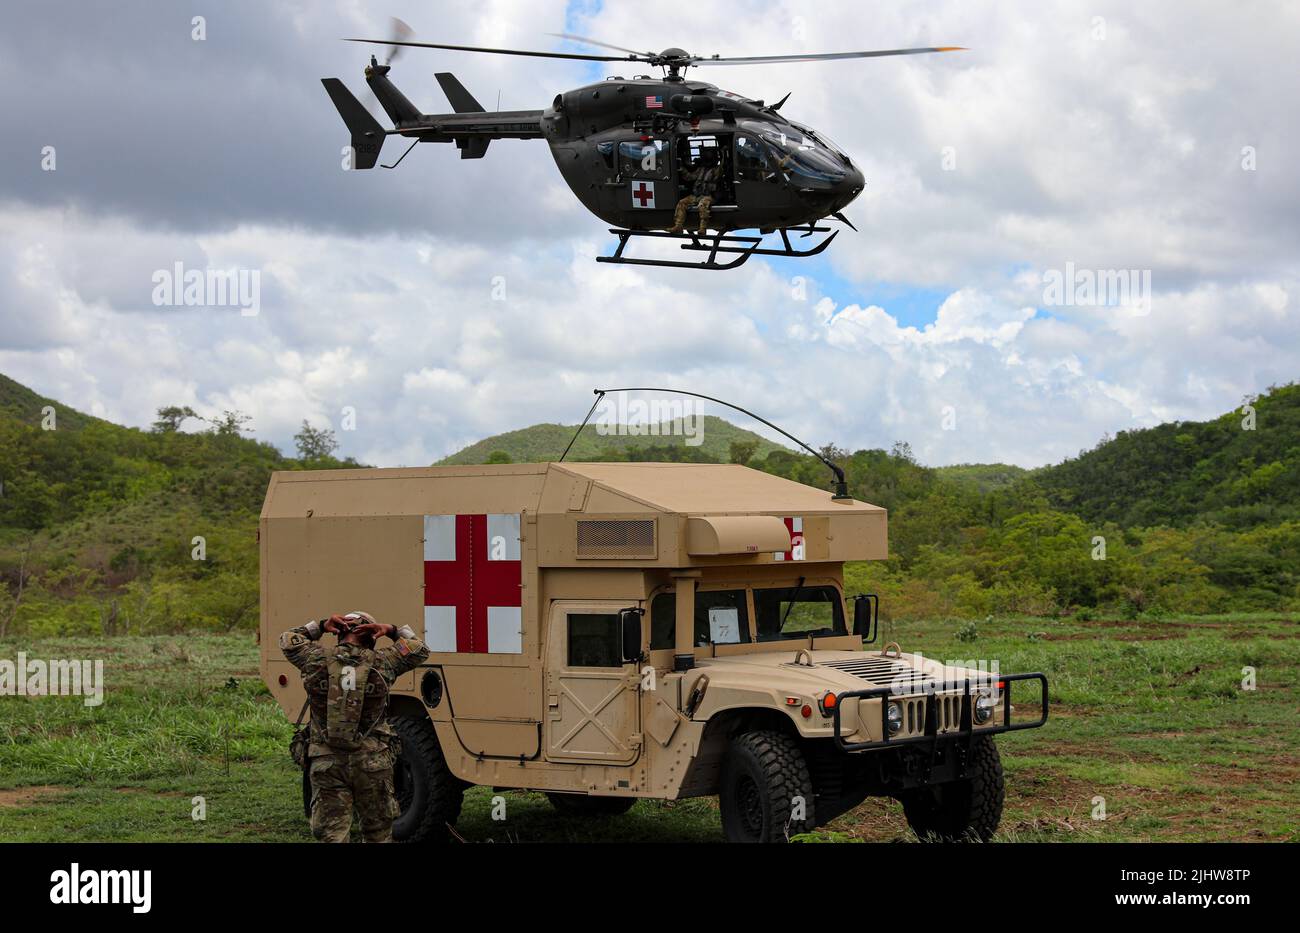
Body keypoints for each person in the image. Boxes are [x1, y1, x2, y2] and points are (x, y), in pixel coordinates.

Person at [280, 611, 429, 842]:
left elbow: (288, 639)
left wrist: (320, 626)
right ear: (371, 636)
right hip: (372, 762)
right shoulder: (384, 661)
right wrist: (390, 629)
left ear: (337, 633)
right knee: (377, 834)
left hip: (326, 761)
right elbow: (419, 648)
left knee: (333, 835)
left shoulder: (315, 658)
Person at [668, 148, 721, 235]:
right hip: (697, 195)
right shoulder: (701, 169)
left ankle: (702, 228)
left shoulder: (717, 170)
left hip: (709, 196)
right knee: (682, 202)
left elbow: (719, 174)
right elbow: (690, 177)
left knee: (702, 205)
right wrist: (681, 169)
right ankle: (678, 226)